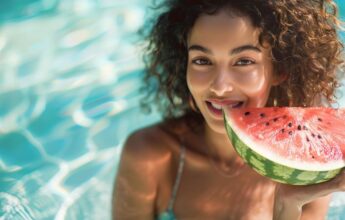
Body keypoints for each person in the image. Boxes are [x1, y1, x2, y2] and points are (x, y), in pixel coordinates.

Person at [112, 0, 345, 219]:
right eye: (202, 60)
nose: (220, 87)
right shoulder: (149, 156)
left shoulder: (308, 160)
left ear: (279, 69)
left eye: (243, 61)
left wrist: (287, 205)